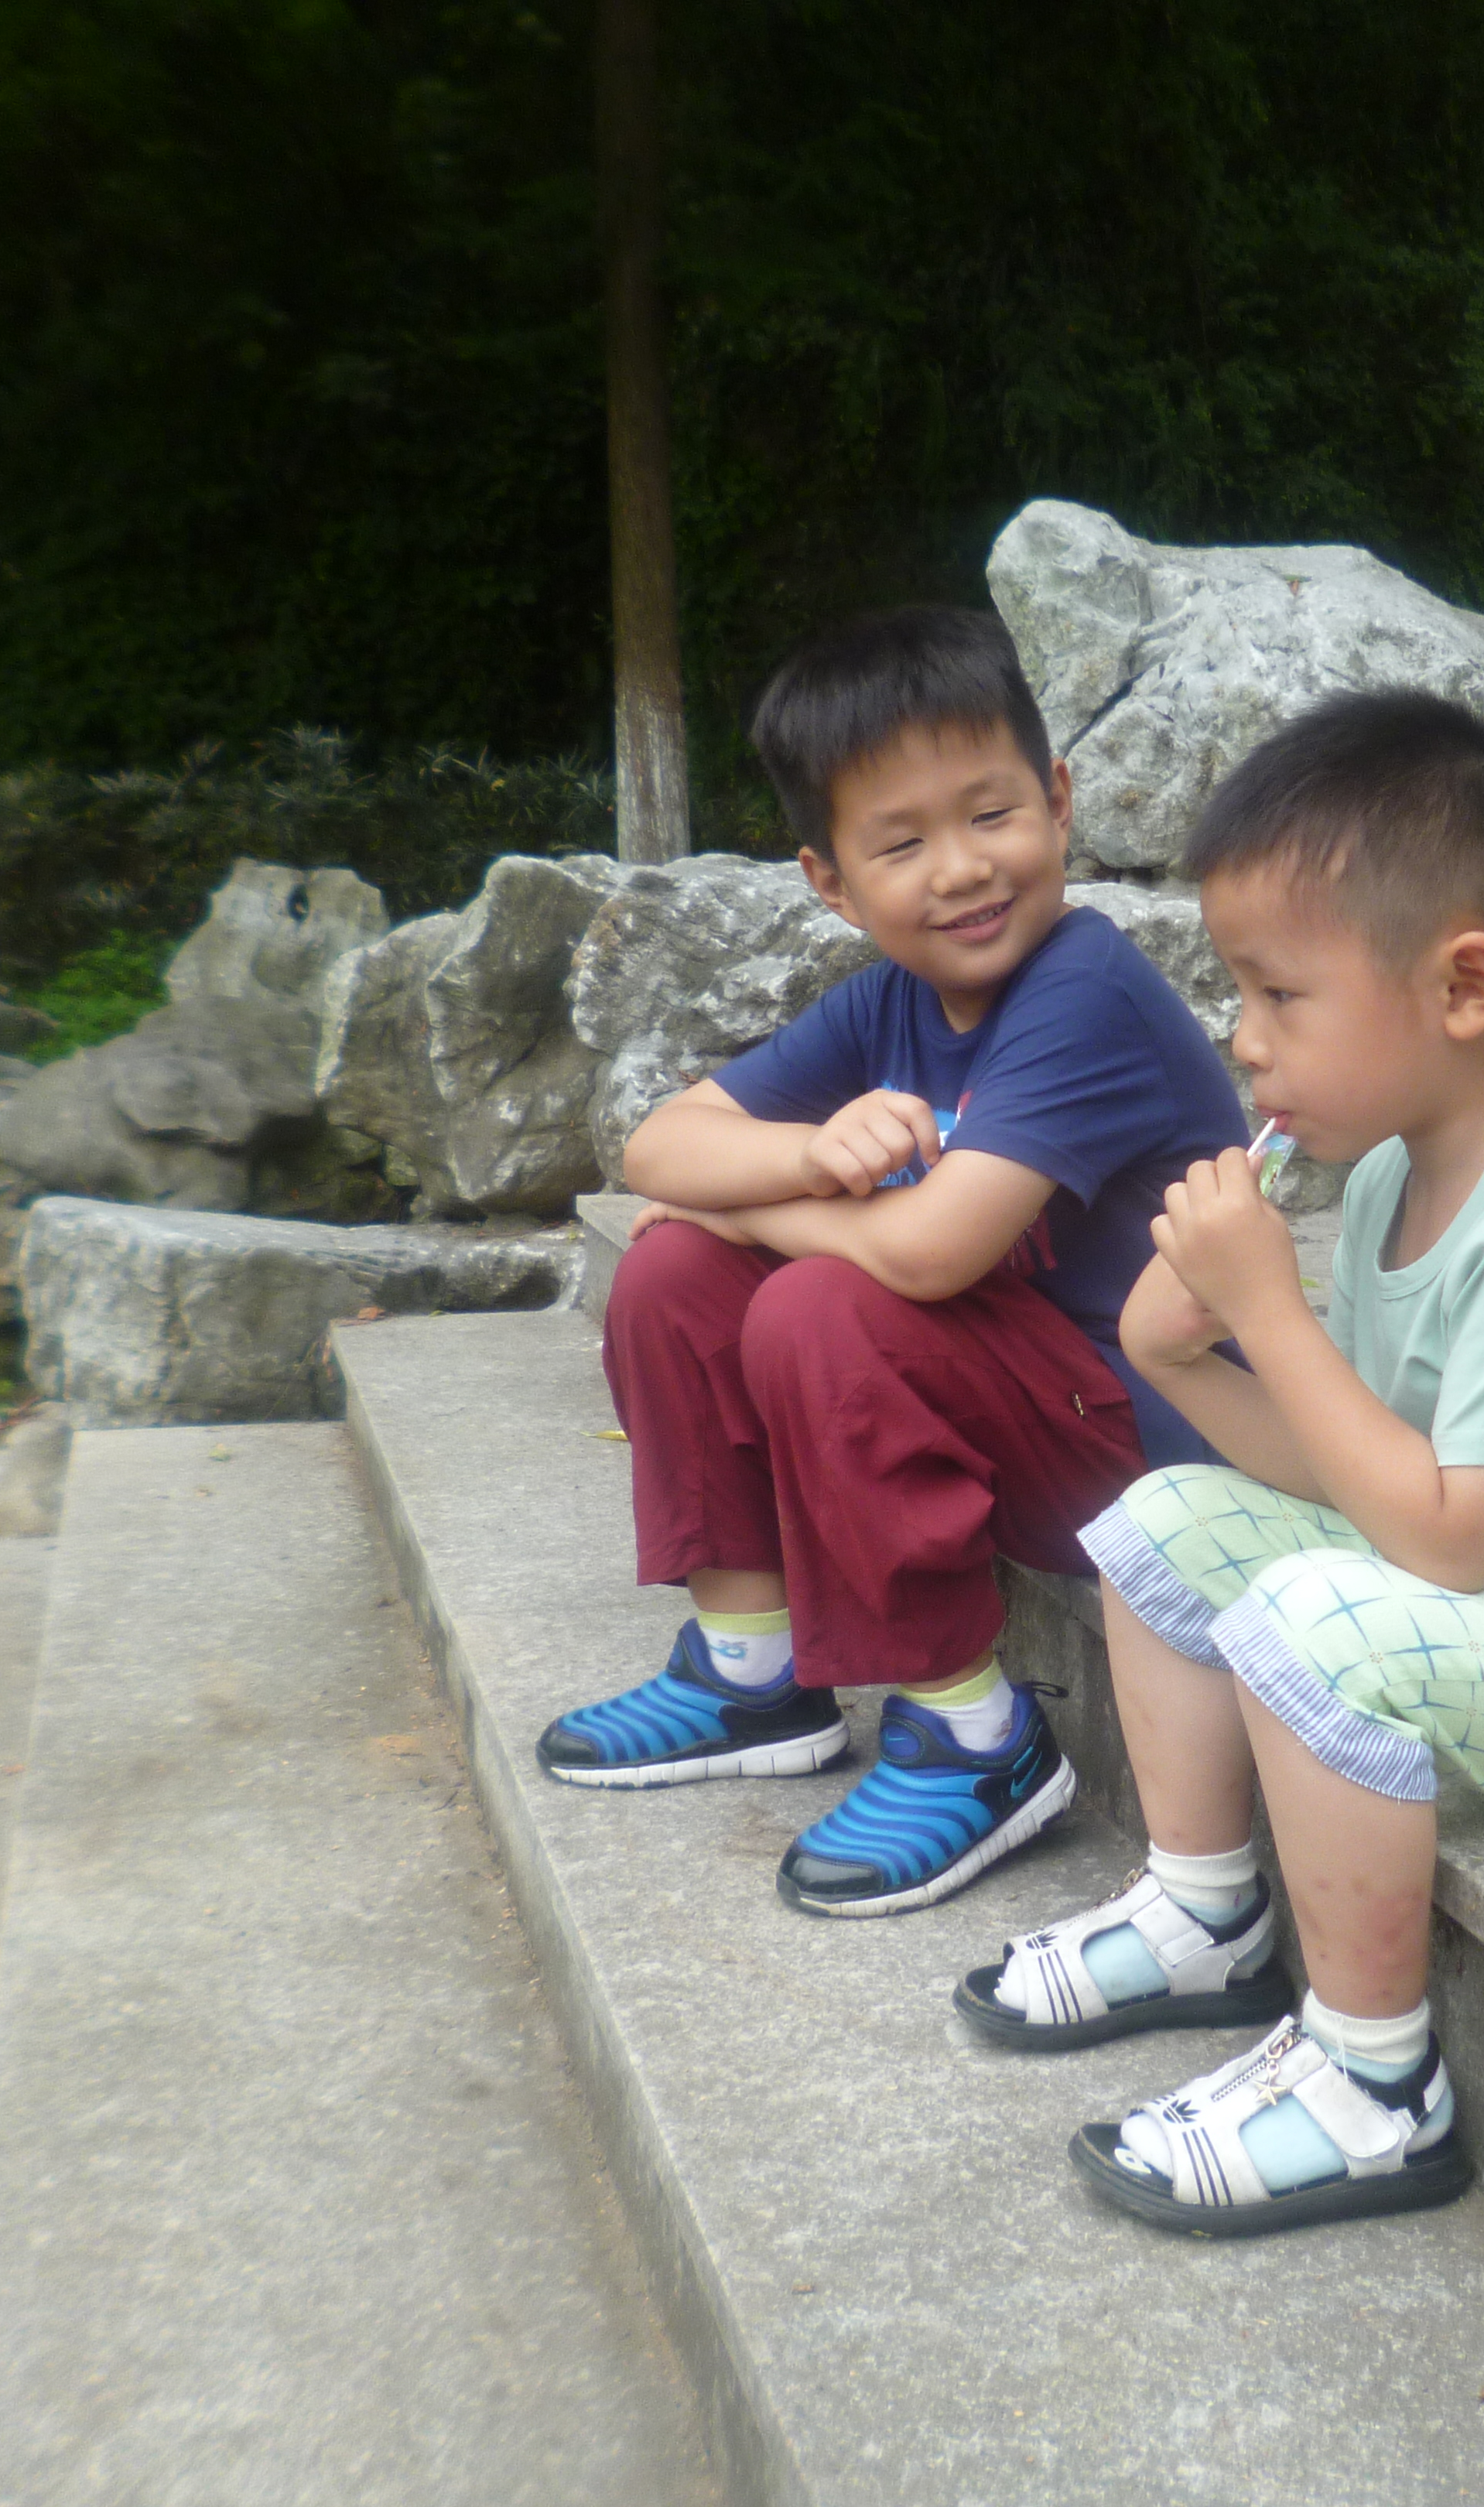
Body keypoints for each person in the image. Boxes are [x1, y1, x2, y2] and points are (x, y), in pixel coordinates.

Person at [957, 689, 1484, 2237]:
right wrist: (1181, 1356)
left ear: (1464, 984)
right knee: (1158, 1517)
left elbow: (1450, 1542)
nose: (1243, 1038)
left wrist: (1269, 1315)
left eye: (1281, 994)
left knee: (1310, 1622)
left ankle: (1373, 2085)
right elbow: (1349, 1477)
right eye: (1241, 992)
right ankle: (1206, 1915)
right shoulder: (1389, 1177)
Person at [535, 604, 1250, 1919]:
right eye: (903, 843)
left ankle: (975, 1738)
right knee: (673, 1276)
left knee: (818, 1304)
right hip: (1017, 1411)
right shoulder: (889, 1005)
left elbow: (928, 1254)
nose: (962, 870)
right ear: (831, 882)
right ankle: (751, 1672)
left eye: (992, 815)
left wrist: (758, 1207)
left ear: (1059, 801)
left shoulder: (1085, 992)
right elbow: (658, 1147)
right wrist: (806, 1158)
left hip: (1151, 1453)